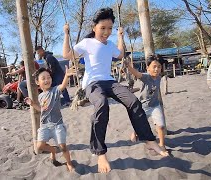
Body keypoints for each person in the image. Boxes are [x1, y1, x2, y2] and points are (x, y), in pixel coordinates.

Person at [62, 7, 169, 173]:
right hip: (93, 84)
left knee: (133, 101)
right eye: (103, 28)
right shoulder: (87, 43)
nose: (106, 32)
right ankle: (100, 153)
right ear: (94, 27)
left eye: (110, 28)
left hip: (110, 82)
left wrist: (120, 37)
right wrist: (66, 34)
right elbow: (67, 55)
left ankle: (148, 139)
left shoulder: (110, 44)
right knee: (102, 105)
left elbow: (119, 54)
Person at [24, 66, 75, 172]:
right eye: (43, 78)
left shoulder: (55, 90)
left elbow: (63, 86)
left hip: (57, 124)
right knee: (39, 146)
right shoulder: (40, 96)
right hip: (45, 125)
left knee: (63, 147)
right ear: (38, 82)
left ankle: (69, 163)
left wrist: (66, 75)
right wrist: (32, 104)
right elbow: (42, 109)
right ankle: (52, 150)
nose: (47, 80)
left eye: (48, 77)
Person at [125, 56, 167, 151]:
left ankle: (161, 145)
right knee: (140, 124)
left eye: (159, 67)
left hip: (155, 105)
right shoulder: (146, 77)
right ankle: (135, 132)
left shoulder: (159, 78)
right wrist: (128, 67)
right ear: (148, 68)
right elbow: (136, 73)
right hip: (143, 106)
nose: (157, 69)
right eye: (154, 66)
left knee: (160, 126)